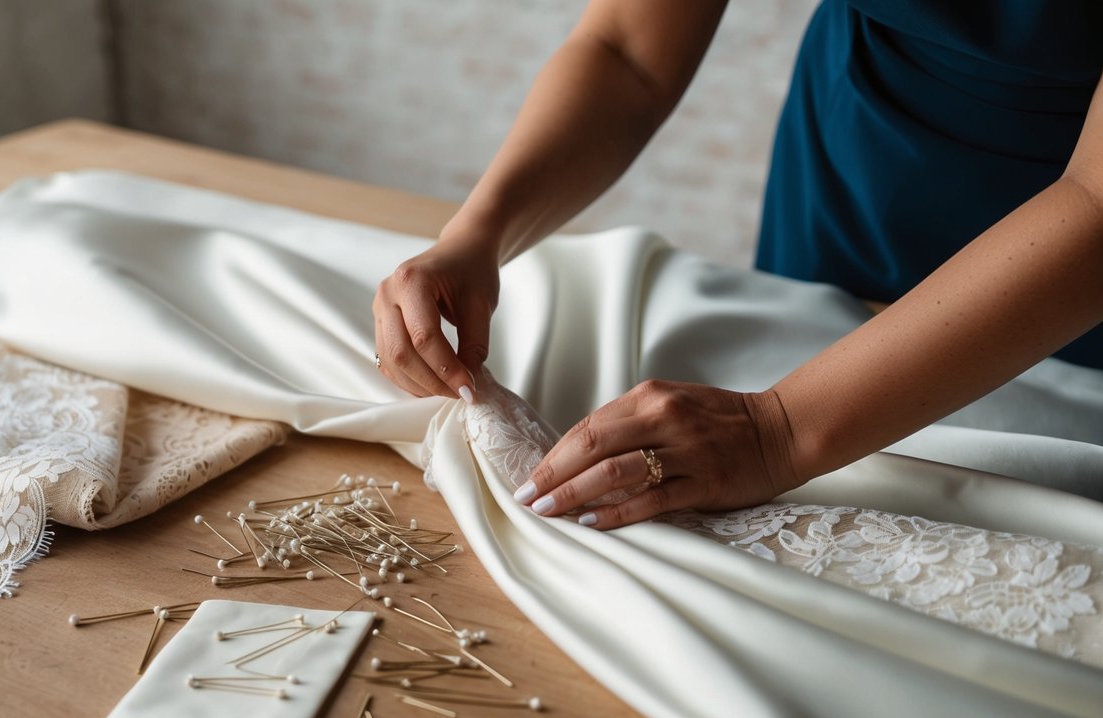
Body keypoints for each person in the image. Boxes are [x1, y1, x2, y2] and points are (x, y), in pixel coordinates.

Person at [371, 0, 1103, 529]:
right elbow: (628, 48)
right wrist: (479, 232)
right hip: (858, 154)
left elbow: (1093, 202)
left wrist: (775, 432)